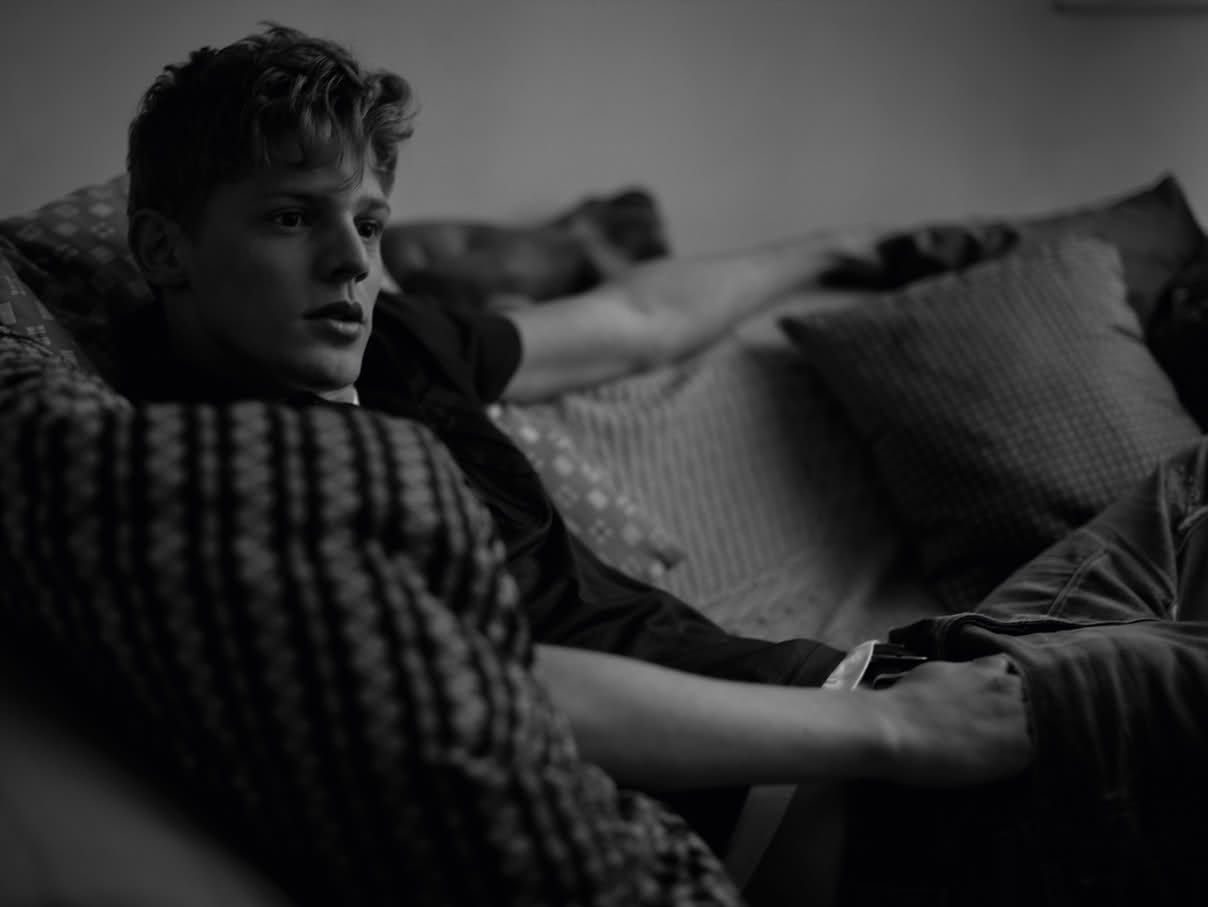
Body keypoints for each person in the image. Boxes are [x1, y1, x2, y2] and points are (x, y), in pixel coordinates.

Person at [113, 22, 1208, 905]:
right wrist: (891, 731)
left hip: (892, 673)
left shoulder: (390, 341)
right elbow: (473, 682)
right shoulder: (231, 470)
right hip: (840, 792)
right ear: (164, 248)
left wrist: (835, 250)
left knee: (1192, 484)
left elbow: (637, 320)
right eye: (291, 218)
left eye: (367, 220)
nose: (351, 261)